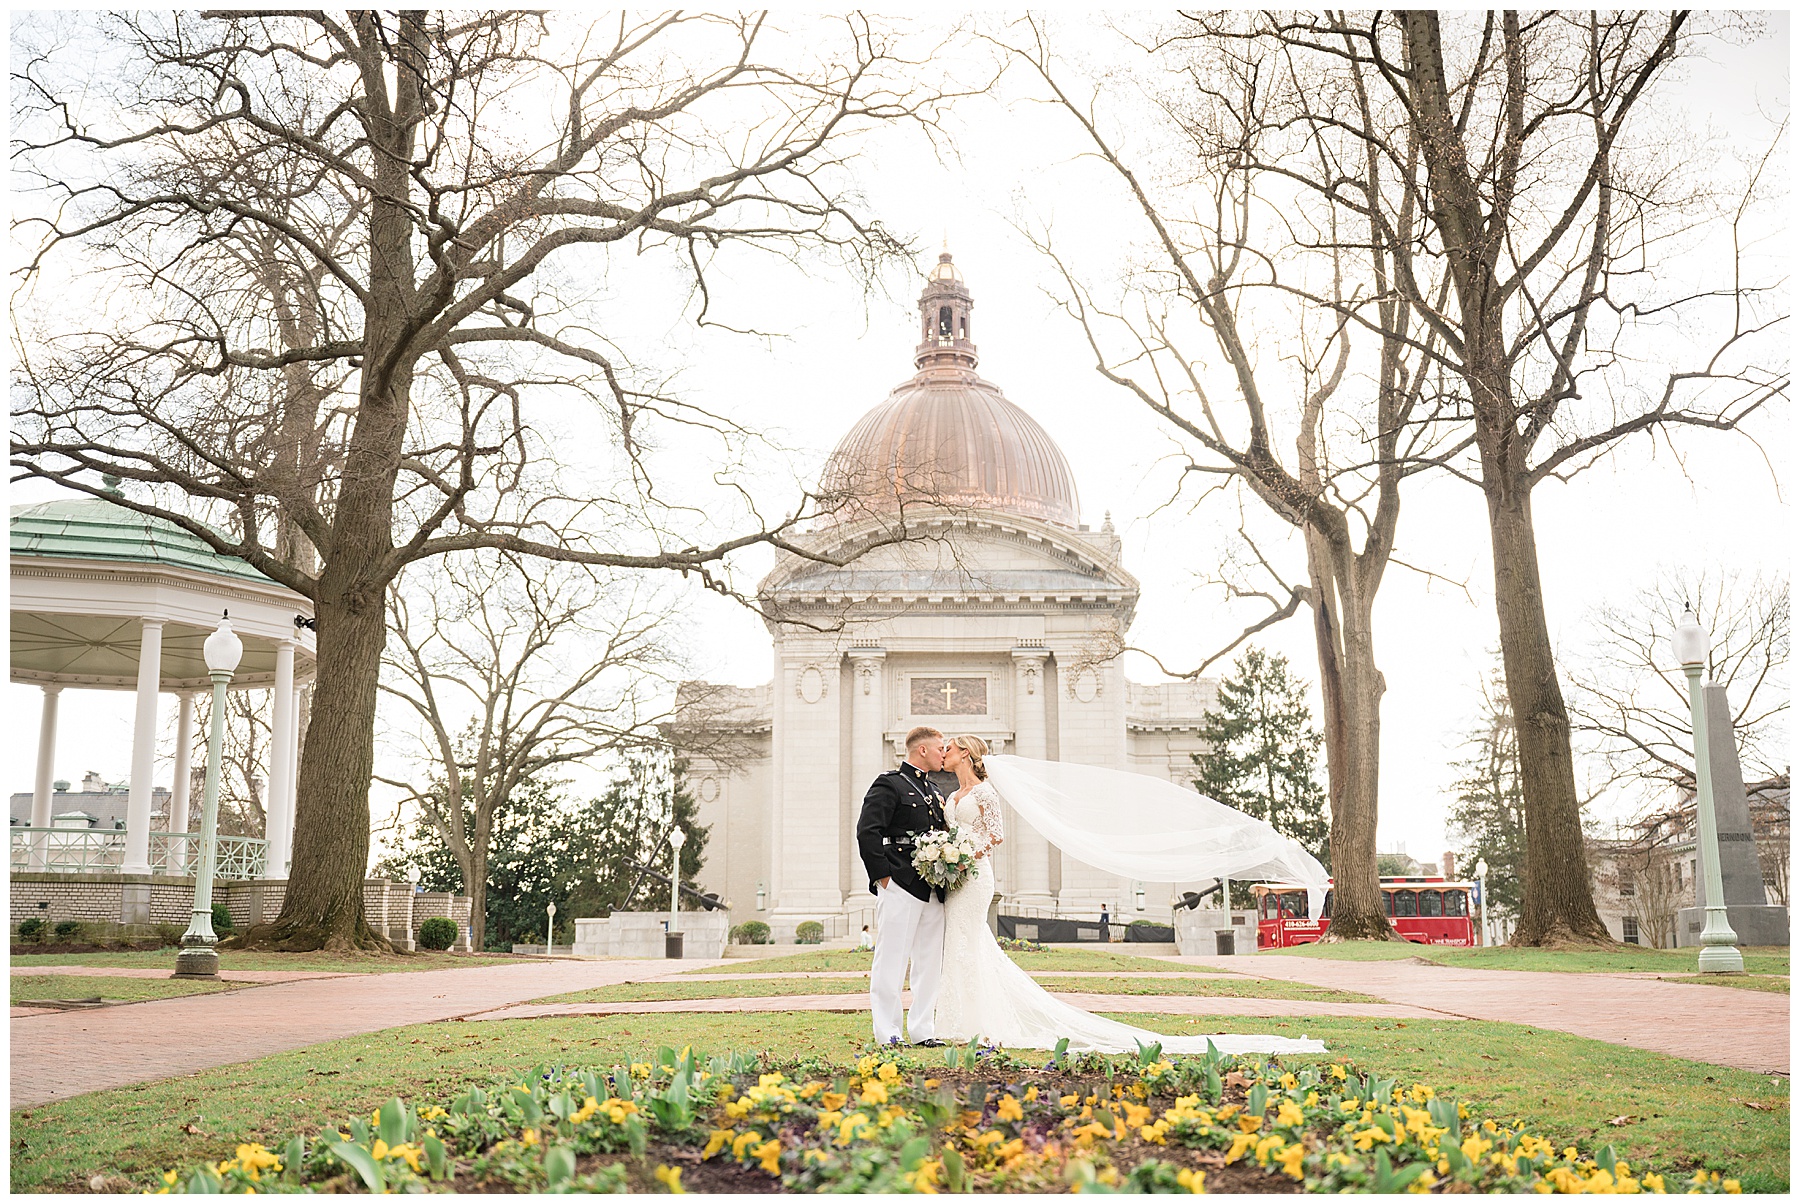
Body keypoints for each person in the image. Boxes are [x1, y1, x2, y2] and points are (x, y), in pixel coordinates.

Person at [931, 734, 1324, 1055]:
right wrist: (946, 856)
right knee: (962, 944)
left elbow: (996, 835)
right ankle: (959, 1020)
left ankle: (976, 1022)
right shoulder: (952, 798)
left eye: (948, 748)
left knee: (968, 943)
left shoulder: (985, 793)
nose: (943, 753)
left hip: (975, 875)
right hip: (956, 877)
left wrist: (965, 857)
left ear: (965, 753)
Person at [855, 725, 949, 1047]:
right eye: (940, 748)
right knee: (891, 962)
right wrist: (882, 877)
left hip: (933, 888)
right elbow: (868, 831)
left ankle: (923, 1031)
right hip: (900, 884)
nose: (944, 753)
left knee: (928, 964)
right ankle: (889, 1033)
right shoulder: (889, 784)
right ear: (921, 750)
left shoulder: (934, 791)